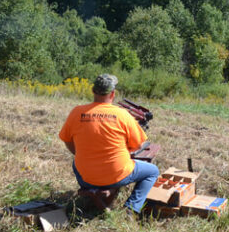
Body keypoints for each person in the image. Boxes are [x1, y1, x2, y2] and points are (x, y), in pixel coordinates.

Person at [59, 74, 159, 214]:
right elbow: (137, 146)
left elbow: (66, 140)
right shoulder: (123, 115)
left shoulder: (76, 112)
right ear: (113, 94)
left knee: (76, 161)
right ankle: (132, 208)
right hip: (117, 176)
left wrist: (80, 153)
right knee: (153, 171)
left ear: (93, 91)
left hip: (86, 179)